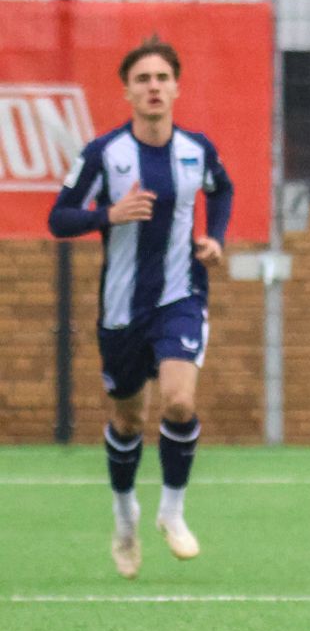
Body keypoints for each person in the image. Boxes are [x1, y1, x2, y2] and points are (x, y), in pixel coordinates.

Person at [48, 37, 233, 580]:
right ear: (127, 90)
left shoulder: (197, 150)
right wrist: (110, 214)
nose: (153, 87)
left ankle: (171, 514)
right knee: (128, 419)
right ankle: (124, 513)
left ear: (176, 87)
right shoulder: (104, 154)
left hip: (182, 295)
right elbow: (59, 219)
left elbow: (222, 190)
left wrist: (215, 238)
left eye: (162, 78)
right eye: (143, 79)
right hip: (122, 310)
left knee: (178, 401)